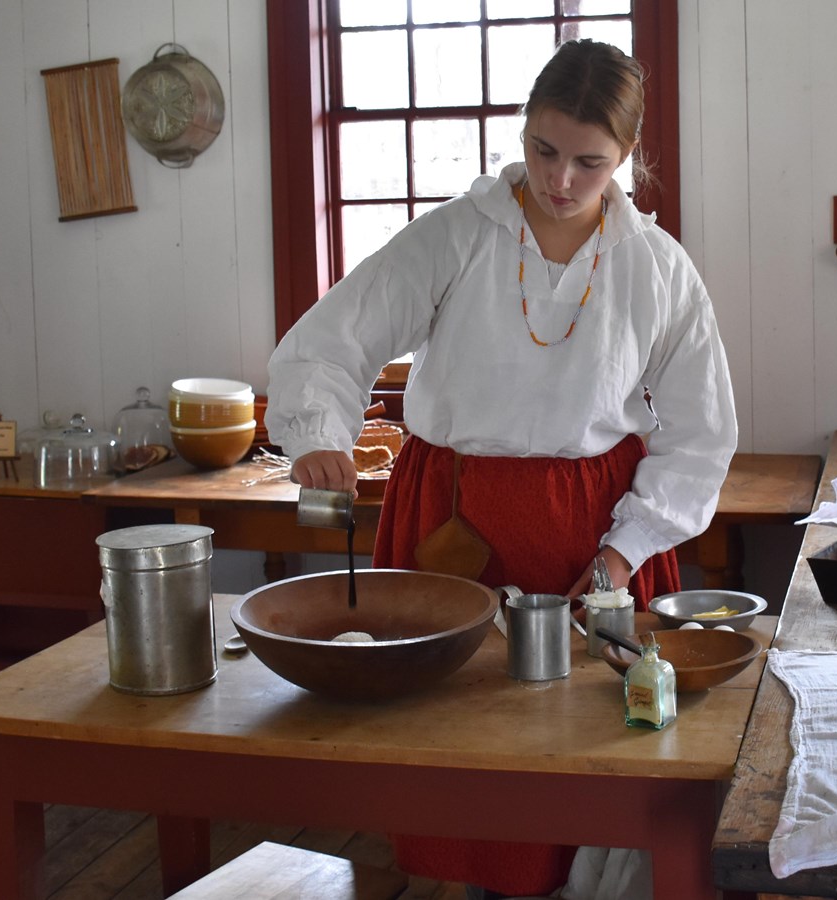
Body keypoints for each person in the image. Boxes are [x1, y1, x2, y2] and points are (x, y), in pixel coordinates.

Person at [264, 39, 737, 897]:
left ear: (627, 159)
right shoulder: (457, 237)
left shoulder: (657, 268)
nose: (560, 179)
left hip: (599, 532)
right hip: (454, 523)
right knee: (462, 765)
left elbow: (702, 434)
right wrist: (318, 436)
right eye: (544, 150)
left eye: (589, 162)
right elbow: (329, 342)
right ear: (523, 132)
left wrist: (624, 552)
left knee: (598, 762)